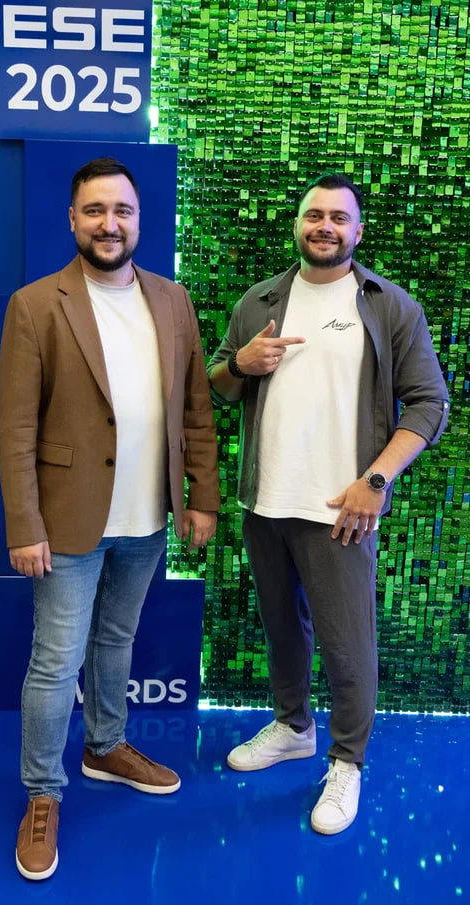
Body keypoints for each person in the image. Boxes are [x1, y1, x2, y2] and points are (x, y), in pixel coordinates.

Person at [0, 157, 220, 879]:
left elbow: (195, 409)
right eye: (94, 210)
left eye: (121, 210)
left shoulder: (173, 300)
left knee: (116, 639)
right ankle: (42, 792)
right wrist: (25, 524)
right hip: (65, 521)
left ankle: (105, 746)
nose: (109, 223)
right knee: (56, 660)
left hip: (146, 516)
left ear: (138, 219)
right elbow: (15, 429)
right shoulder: (36, 304)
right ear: (72, 219)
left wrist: (202, 496)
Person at [208, 172, 449, 835]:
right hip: (266, 503)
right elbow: (217, 385)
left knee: (347, 647)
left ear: (357, 231)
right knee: (282, 630)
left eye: (339, 218)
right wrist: (241, 364)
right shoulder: (258, 301)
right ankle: (293, 728)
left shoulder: (390, 306)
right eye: (314, 215)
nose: (325, 226)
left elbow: (429, 403)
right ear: (297, 224)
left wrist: (375, 479)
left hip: (342, 509)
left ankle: (347, 761)